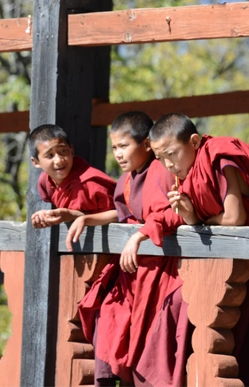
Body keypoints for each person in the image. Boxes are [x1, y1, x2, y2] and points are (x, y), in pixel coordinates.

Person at [149, 112, 249, 386]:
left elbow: (234, 218)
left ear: (194, 140)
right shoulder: (192, 172)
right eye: (161, 159)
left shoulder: (220, 156)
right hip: (247, 273)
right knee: (245, 354)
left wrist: (199, 219)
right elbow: (201, 218)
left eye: (172, 154)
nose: (168, 164)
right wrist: (191, 217)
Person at [68, 111, 189, 387]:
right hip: (134, 270)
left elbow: (170, 214)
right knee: (108, 313)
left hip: (160, 270)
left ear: (146, 144)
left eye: (124, 146)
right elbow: (123, 214)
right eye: (114, 148)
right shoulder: (127, 178)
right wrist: (86, 218)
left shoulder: (160, 170)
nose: (118, 154)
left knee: (149, 341)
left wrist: (137, 237)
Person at [28, 124, 116, 229]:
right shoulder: (45, 182)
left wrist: (75, 216)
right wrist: (45, 216)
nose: (59, 160)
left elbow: (120, 215)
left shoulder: (91, 183)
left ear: (72, 150)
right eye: (50, 155)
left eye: (63, 151)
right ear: (36, 162)